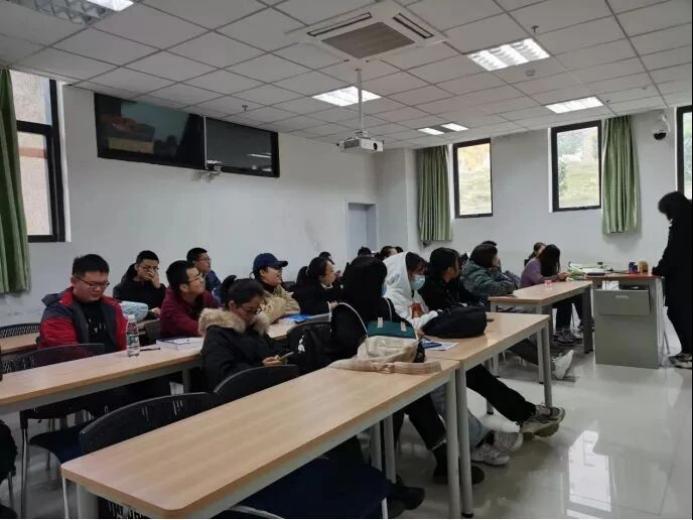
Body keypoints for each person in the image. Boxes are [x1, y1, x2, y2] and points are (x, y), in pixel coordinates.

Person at [333, 257, 529, 482]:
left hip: (393, 370)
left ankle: (456, 453)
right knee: (420, 398)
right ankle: (456, 452)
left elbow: (405, 329)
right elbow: (357, 348)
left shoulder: (382, 304)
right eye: (378, 281)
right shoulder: (345, 312)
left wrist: (402, 338)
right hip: (359, 379)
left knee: (435, 389)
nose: (382, 286)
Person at [385, 249, 566, 439]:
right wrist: (437, 315)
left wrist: (438, 316)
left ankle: (526, 414)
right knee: (466, 381)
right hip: (416, 359)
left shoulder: (414, 294)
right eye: (417, 272)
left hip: (436, 348)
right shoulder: (393, 298)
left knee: (480, 375)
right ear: (403, 273)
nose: (420, 276)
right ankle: (488, 436)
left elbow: (435, 315)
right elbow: (411, 326)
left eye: (422, 271)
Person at [459, 245, 574, 379]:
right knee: (513, 335)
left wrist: (504, 281)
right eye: (495, 256)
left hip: (492, 309)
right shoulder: (475, 274)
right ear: (486, 258)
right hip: (483, 314)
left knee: (528, 319)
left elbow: (510, 283)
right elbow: (497, 288)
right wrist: (505, 283)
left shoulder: (486, 269)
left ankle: (550, 360)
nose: (498, 258)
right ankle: (552, 365)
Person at [200, 278, 284, 389]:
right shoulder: (217, 334)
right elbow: (222, 375)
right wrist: (260, 367)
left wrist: (279, 357)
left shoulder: (254, 326)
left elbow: (274, 347)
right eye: (249, 310)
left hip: (266, 386)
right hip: (241, 393)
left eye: (256, 311)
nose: (253, 316)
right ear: (232, 305)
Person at [40, 254, 126, 350]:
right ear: (74, 281)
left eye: (103, 284)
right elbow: (68, 352)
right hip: (79, 359)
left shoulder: (112, 307)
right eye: (92, 284)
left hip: (114, 358)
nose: (98, 289)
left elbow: (125, 342)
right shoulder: (57, 311)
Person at [653, 192, 692, 369]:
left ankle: (689, 353)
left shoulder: (682, 225)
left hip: (683, 278)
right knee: (681, 314)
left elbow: (673, 252)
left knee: (680, 314)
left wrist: (659, 269)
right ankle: (687, 350)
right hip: (684, 276)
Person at [521, 244, 583, 345]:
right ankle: (560, 332)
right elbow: (539, 280)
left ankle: (566, 329)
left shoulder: (546, 264)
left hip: (544, 295)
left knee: (571, 299)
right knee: (565, 302)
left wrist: (560, 278)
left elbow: (549, 282)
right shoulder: (534, 264)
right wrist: (557, 277)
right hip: (531, 297)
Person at [160, 260, 218, 338]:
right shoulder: (170, 307)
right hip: (177, 344)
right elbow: (197, 329)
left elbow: (221, 314)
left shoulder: (204, 295)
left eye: (200, 275)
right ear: (184, 287)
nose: (202, 280)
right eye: (197, 278)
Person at [113, 250, 166, 318]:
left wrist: (159, 288)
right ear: (137, 267)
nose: (151, 272)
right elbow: (121, 313)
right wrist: (149, 313)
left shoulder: (158, 286)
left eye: (155, 268)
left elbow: (168, 308)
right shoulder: (120, 289)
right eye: (146, 268)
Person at [252, 253, 300, 323]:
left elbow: (295, 308)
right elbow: (261, 319)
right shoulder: (252, 292)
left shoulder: (278, 288)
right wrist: (281, 302)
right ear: (262, 272)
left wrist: (275, 311)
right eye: (276, 267)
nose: (280, 270)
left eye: (280, 267)